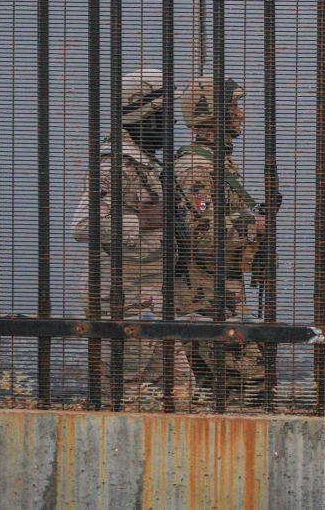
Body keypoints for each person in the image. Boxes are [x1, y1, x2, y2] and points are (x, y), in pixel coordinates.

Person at [72, 69, 191, 404]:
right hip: (126, 294)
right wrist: (143, 222)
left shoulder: (143, 163)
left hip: (149, 292)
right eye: (164, 117)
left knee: (179, 387)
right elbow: (83, 225)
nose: (172, 126)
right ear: (143, 117)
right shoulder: (116, 166)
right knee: (121, 391)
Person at [175, 76, 266, 406]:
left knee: (227, 389)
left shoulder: (215, 161)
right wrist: (252, 225)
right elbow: (203, 237)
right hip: (205, 298)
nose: (241, 113)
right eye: (234, 106)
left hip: (219, 294)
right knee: (248, 382)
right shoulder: (197, 167)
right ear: (212, 114)